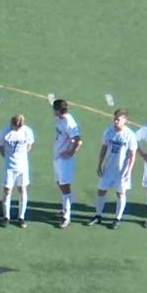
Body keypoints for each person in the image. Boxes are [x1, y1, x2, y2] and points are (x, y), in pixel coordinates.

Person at [86, 109, 137, 230]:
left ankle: (117, 218)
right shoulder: (108, 131)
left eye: (118, 119)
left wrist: (129, 171)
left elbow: (132, 155)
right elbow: (104, 148)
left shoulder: (130, 135)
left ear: (125, 120)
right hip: (108, 168)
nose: (115, 121)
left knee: (120, 193)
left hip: (121, 171)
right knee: (101, 191)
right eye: (114, 119)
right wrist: (99, 164)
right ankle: (98, 215)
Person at [0, 114, 35, 228]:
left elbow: (29, 145)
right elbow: (0, 147)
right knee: (7, 190)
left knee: (22, 189)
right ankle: (6, 217)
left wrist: (21, 156)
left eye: (19, 127)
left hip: (22, 167)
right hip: (9, 167)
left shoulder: (27, 131)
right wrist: (8, 157)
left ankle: (21, 217)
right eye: (15, 126)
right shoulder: (5, 132)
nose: (17, 129)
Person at [51, 98, 83, 228]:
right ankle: (66, 208)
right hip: (58, 158)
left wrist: (70, 152)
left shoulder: (69, 122)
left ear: (58, 110)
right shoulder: (60, 120)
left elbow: (78, 140)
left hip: (65, 161)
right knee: (60, 183)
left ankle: (67, 216)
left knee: (65, 187)